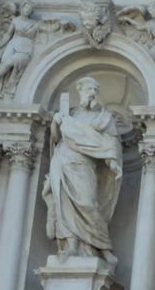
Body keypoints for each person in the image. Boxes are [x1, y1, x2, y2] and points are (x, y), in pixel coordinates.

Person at [42, 78, 124, 260]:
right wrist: (56, 122)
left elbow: (111, 143)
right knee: (64, 206)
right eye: (89, 88)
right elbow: (56, 139)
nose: (92, 92)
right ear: (79, 90)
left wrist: (112, 161)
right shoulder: (69, 115)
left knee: (88, 204)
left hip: (85, 166)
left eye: (95, 89)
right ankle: (71, 245)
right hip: (62, 162)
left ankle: (103, 247)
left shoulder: (103, 117)